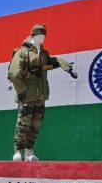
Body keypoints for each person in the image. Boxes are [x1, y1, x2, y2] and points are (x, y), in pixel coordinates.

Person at [8, 24, 77, 161]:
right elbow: (14, 73)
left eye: (44, 36)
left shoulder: (44, 53)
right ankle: (18, 151)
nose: (42, 38)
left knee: (35, 126)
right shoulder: (23, 52)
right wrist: (22, 91)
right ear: (33, 35)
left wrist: (67, 68)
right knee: (23, 124)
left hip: (41, 96)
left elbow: (55, 60)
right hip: (27, 95)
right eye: (40, 35)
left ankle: (29, 152)